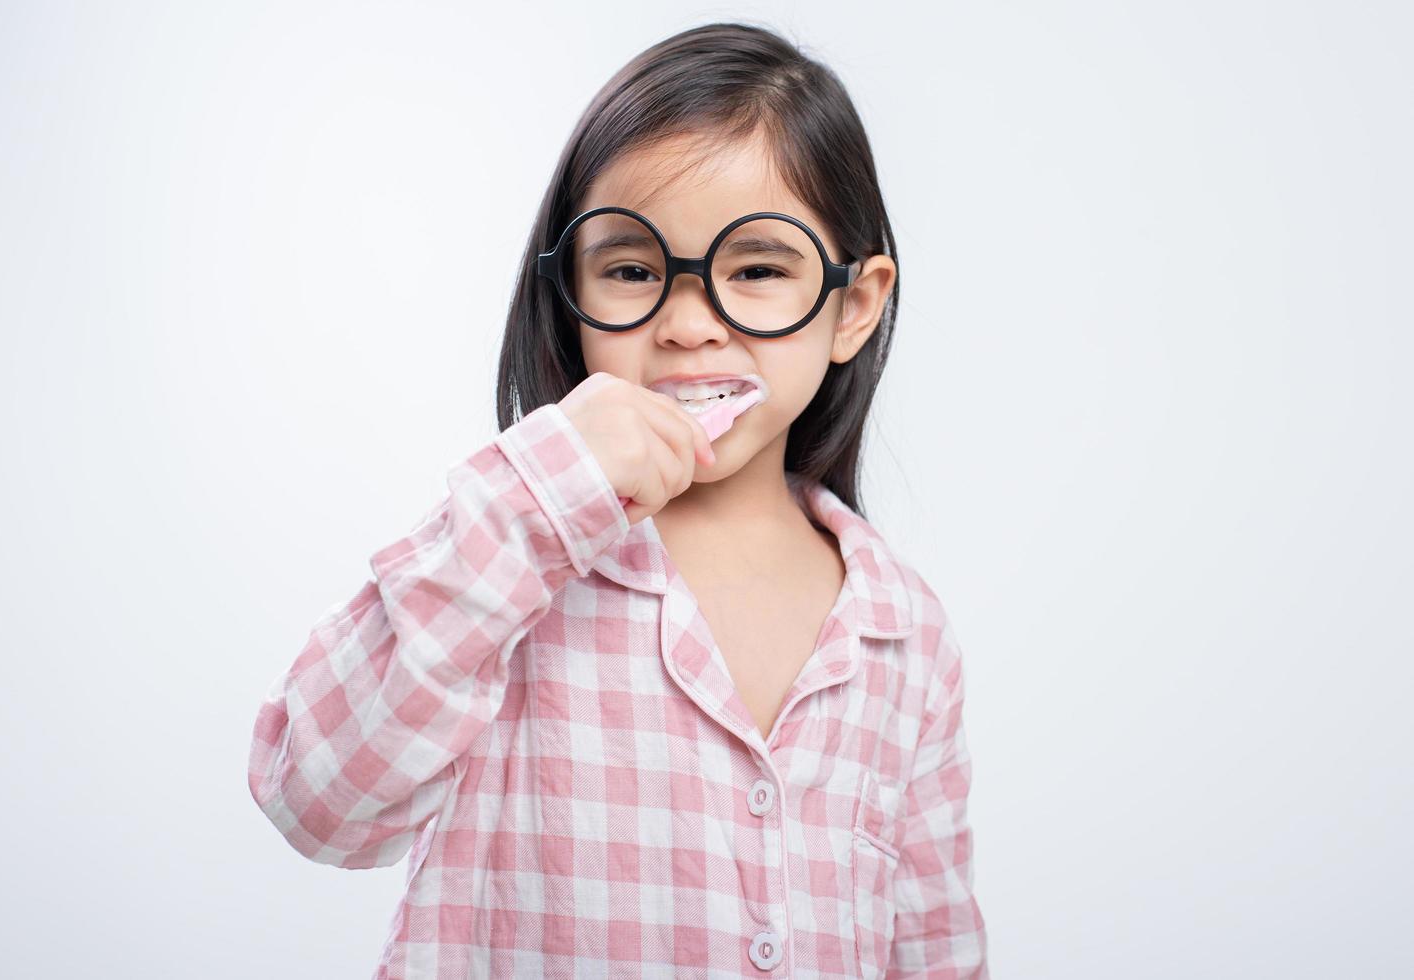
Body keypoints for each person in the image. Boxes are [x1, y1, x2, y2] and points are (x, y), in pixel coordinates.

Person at [247, 21, 988, 979]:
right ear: (573, 294)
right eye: (633, 271)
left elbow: (934, 950)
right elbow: (317, 799)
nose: (687, 327)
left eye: (757, 271)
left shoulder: (905, 635)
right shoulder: (510, 555)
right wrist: (539, 497)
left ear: (851, 305)